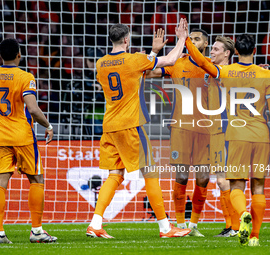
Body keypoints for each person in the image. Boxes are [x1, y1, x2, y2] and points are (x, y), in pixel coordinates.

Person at [86, 20, 191, 239]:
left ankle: (95, 224)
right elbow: (171, 60)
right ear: (126, 39)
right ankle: (165, 227)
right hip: (130, 125)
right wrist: (182, 38)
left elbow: (132, 79)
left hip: (110, 126)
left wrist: (152, 53)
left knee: (115, 174)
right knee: (151, 173)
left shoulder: (100, 63)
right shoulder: (135, 59)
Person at [185, 32, 270, 246]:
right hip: (261, 135)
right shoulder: (266, 75)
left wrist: (186, 40)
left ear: (236, 51)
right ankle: (255, 238)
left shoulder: (226, 71)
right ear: (256, 51)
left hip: (236, 134)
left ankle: (241, 216)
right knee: (258, 187)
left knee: (235, 185)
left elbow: (202, 61)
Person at [0, 38, 57, 244]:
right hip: (23, 136)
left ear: (0, 56)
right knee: (36, 180)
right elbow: (32, 108)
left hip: (1, 137)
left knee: (0, 183)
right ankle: (37, 231)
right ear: (19, 55)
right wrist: (48, 126)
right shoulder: (26, 77)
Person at [146, 28, 212, 237]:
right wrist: (153, 53)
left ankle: (193, 225)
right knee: (182, 176)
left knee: (203, 178)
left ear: (205, 45)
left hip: (205, 130)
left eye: (196, 39)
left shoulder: (211, 66)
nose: (191, 41)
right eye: (189, 38)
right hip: (181, 128)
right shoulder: (177, 62)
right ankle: (181, 224)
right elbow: (148, 72)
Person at [204, 36, 240, 237]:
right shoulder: (214, 69)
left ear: (227, 53)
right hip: (216, 129)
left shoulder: (225, 72)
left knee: (225, 180)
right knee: (221, 180)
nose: (212, 51)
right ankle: (231, 226)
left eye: (216, 49)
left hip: (226, 129)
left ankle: (235, 226)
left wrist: (186, 43)